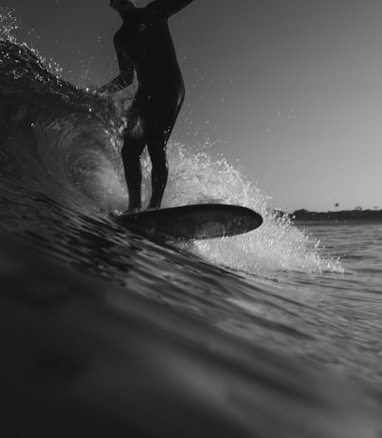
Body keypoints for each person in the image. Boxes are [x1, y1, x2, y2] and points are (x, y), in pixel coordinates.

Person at [100, 0, 194, 212]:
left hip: (170, 87)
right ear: (112, 5)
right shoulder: (120, 38)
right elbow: (126, 78)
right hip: (147, 91)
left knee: (155, 144)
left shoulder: (154, 11)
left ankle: (154, 207)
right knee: (129, 150)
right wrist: (102, 91)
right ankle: (134, 208)